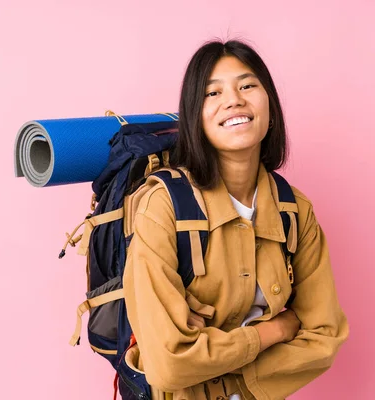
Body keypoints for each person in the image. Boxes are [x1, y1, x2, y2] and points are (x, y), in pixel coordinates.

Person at [122, 39, 349, 400]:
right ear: (195, 116)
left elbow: (324, 337)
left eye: (247, 86)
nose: (234, 100)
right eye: (213, 93)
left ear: (270, 106)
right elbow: (168, 364)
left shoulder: (294, 211)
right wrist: (276, 329)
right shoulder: (163, 208)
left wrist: (213, 359)